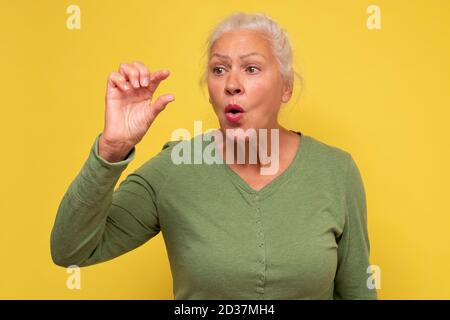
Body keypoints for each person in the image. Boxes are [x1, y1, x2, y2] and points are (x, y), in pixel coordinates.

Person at [51, 12, 377, 300]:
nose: (231, 84)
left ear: (286, 88)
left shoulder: (336, 171)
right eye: (219, 70)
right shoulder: (174, 170)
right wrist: (111, 148)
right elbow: (71, 250)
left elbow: (357, 293)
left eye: (251, 68)